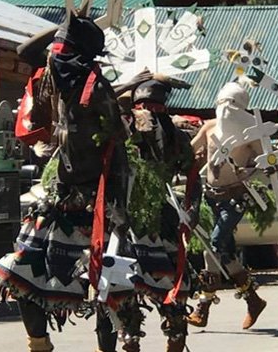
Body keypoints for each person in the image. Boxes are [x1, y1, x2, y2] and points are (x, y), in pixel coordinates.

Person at [0, 15, 131, 352]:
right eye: (55, 53)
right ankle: (39, 344)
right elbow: (29, 61)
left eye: (62, 52)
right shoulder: (51, 80)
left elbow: (117, 140)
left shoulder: (95, 87)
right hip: (58, 197)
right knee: (20, 269)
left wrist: (118, 203)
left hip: (100, 200)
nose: (55, 58)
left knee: (108, 280)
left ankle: (108, 346)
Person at [119, 75, 201, 352]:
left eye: (153, 107)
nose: (147, 114)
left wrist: (192, 211)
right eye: (142, 107)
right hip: (126, 220)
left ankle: (175, 342)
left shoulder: (174, 137)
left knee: (175, 292)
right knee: (123, 292)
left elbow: (193, 176)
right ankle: (129, 341)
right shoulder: (125, 130)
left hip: (164, 219)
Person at [186, 81, 267, 331]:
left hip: (235, 196)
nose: (225, 109)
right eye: (223, 104)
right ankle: (252, 300)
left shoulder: (251, 132)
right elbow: (190, 151)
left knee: (216, 242)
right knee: (218, 250)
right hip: (210, 195)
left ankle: (204, 305)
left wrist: (247, 169)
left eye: (231, 104)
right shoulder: (210, 127)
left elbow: (265, 163)